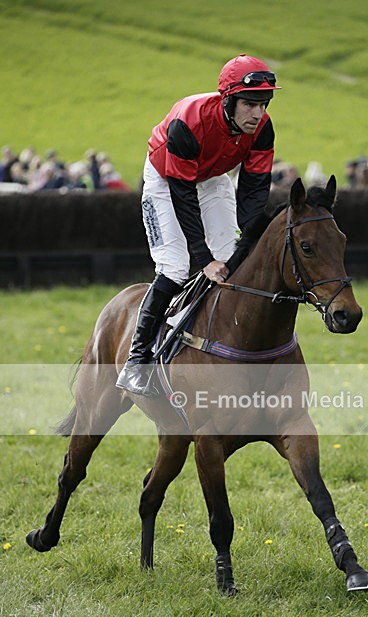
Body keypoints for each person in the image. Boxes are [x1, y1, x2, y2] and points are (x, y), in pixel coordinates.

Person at [116, 54, 280, 395]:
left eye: (264, 104)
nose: (258, 114)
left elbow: (253, 191)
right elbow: (183, 197)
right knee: (176, 267)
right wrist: (203, 259)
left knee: (232, 260)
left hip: (212, 177)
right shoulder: (188, 122)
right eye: (250, 104)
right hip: (167, 180)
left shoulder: (263, 129)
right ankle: (136, 360)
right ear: (228, 100)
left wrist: (249, 241)